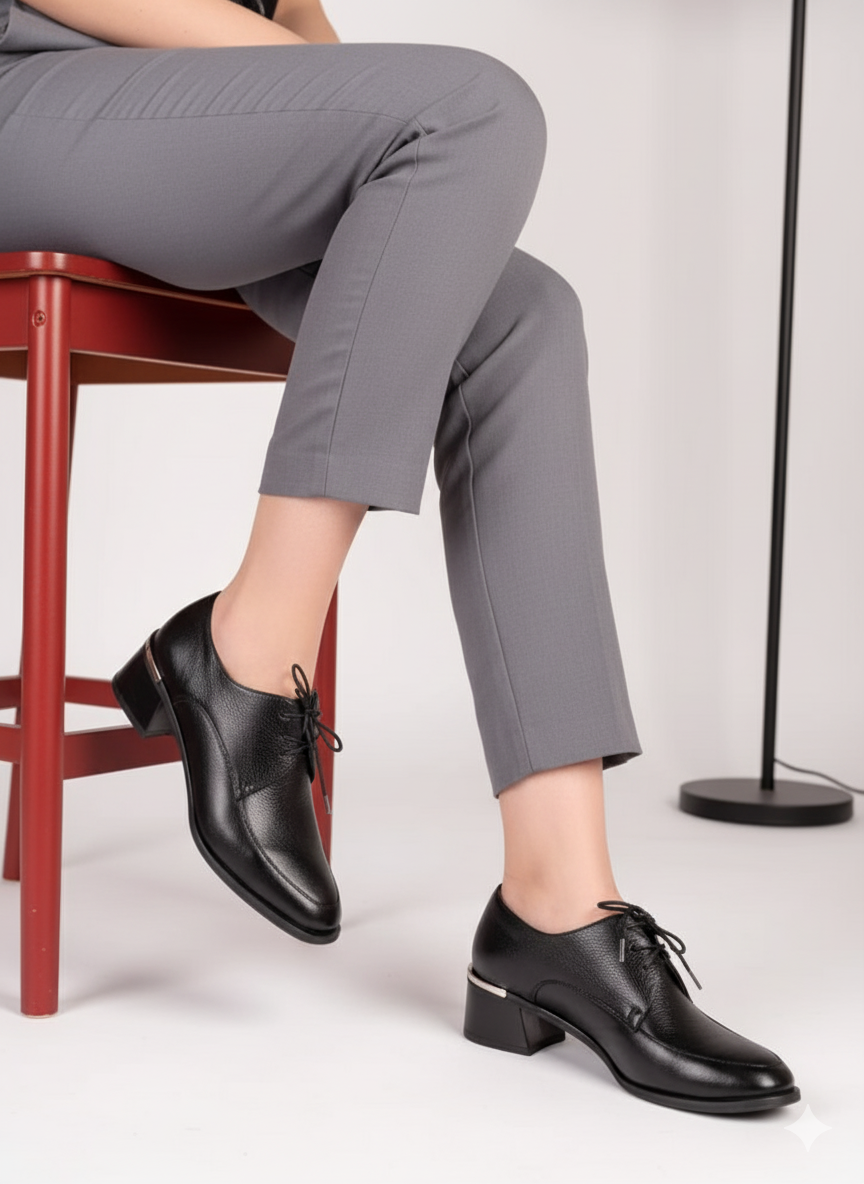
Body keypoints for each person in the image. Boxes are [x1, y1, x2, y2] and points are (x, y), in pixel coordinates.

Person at [0, 0, 799, 1114]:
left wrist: (326, 86)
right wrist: (322, 84)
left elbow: (305, 28)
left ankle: (557, 902)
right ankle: (249, 645)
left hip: (187, 117)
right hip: (32, 92)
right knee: (471, 108)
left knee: (523, 314)